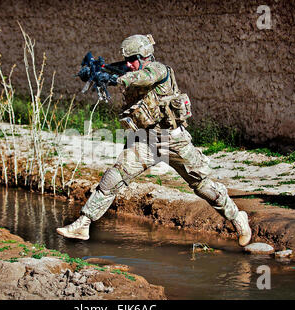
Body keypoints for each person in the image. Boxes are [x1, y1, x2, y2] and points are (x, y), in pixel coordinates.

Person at [57, 34, 252, 246]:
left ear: (144, 56)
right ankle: (83, 224)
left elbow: (143, 77)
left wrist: (113, 79)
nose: (129, 64)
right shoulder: (131, 70)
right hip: (144, 140)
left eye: (133, 59)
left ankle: (236, 217)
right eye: (127, 60)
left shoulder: (158, 70)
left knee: (202, 186)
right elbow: (119, 71)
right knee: (113, 178)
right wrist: (95, 72)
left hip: (173, 141)